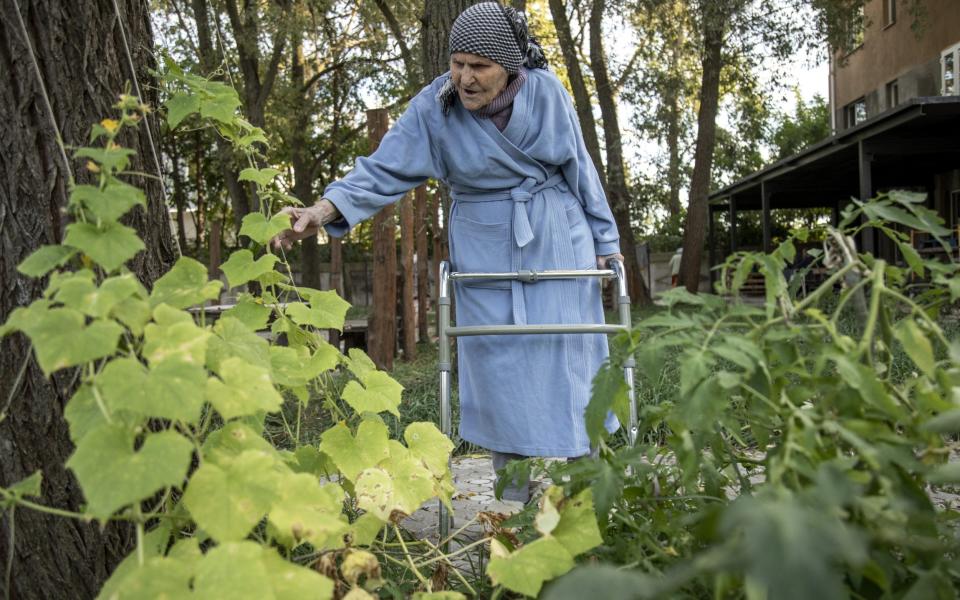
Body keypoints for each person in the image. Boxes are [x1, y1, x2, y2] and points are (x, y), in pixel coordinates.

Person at [272, 2, 622, 503]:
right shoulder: (435, 108)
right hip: (483, 248)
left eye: (479, 66)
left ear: (509, 66)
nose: (465, 78)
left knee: (572, 351)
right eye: (458, 63)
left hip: (555, 235)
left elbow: (579, 166)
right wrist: (323, 210)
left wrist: (605, 243)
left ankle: (591, 485)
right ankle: (512, 498)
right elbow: (382, 169)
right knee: (498, 363)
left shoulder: (546, 93)